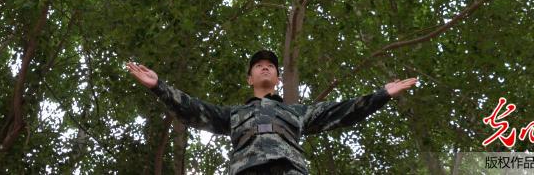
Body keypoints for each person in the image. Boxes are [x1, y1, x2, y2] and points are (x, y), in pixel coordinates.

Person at [126, 50, 417, 174]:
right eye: (258, 65)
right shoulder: (233, 114)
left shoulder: (297, 112)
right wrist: (159, 86)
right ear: (250, 79)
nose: (265, 66)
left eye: (271, 66)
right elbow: (192, 109)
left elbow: (341, 111)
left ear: (278, 78)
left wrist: (381, 95)